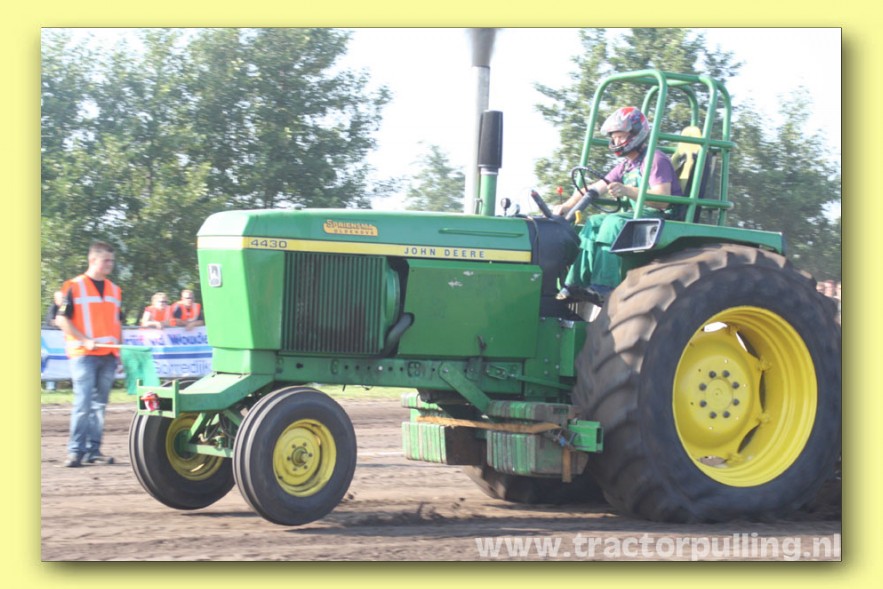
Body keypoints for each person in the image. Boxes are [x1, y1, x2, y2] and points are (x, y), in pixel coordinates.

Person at [553, 106, 682, 305]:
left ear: (636, 134)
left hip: (659, 215)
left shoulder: (655, 160)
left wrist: (627, 190)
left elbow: (662, 199)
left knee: (613, 222)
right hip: (638, 214)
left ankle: (604, 287)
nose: (616, 142)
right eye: (614, 137)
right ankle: (574, 285)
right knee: (593, 223)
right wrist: (568, 206)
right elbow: (595, 188)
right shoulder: (627, 165)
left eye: (621, 136)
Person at [55, 241, 121, 467]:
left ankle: (94, 451)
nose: (110, 264)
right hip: (83, 354)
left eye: (112, 261)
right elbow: (61, 319)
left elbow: (117, 323)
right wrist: (84, 340)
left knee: (99, 407)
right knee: (83, 405)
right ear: (92, 260)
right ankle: (75, 451)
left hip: (109, 355)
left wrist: (119, 352)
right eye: (106, 260)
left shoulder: (115, 290)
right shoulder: (74, 286)